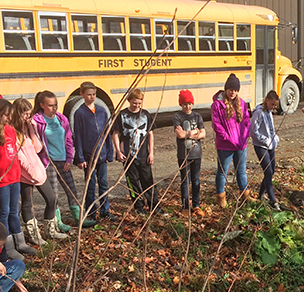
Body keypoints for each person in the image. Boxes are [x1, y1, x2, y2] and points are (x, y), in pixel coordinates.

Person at [32, 90, 96, 231]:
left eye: (55, 105)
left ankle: (79, 218)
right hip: (48, 162)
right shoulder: (37, 121)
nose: (54, 108)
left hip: (63, 160)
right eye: (50, 105)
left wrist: (69, 158)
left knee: (71, 189)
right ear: (42, 105)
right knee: (53, 193)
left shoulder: (61, 119)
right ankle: (57, 221)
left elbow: (68, 139)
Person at [11, 98, 66, 245]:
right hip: (24, 174)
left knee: (52, 199)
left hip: (38, 170)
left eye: (30, 114)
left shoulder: (27, 129)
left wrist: (32, 129)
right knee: (28, 204)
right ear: (18, 114)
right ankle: (34, 234)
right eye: (25, 114)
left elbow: (38, 148)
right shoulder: (14, 132)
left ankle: (50, 230)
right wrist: (30, 172)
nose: (28, 117)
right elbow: (20, 157)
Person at [112, 88, 163, 216]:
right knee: (133, 182)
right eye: (134, 103)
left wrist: (151, 152)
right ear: (129, 101)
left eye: (139, 103)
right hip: (128, 155)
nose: (137, 106)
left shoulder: (145, 115)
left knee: (148, 181)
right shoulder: (122, 115)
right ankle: (139, 207)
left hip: (143, 155)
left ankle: (154, 206)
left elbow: (150, 134)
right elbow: (116, 134)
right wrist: (118, 151)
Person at [73, 81, 118, 222]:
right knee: (90, 184)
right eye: (88, 95)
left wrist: (109, 152)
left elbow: (106, 133)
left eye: (94, 94)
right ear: (82, 95)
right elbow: (78, 136)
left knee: (103, 183)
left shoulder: (101, 111)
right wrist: (80, 157)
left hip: (102, 154)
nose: (92, 97)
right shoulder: (79, 113)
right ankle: (91, 212)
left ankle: (105, 210)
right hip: (88, 156)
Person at [0, 99, 37, 260]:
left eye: (10, 115)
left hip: (14, 177)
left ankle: (19, 242)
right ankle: (6, 247)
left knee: (15, 211)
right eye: (5, 115)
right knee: (4, 212)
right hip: (2, 180)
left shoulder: (11, 130)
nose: (8, 118)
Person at [211, 73, 252, 208]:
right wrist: (229, 139)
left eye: (235, 90)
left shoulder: (241, 104)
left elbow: (246, 122)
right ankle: (220, 197)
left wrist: (244, 137)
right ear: (226, 89)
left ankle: (244, 194)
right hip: (225, 145)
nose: (233, 93)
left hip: (241, 145)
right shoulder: (218, 105)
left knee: (241, 170)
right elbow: (217, 125)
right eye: (230, 90)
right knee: (223, 171)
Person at [0, 222, 42, 292]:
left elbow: (6, 269)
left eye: (2, 245)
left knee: (18, 265)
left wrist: (24, 290)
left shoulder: (1, 247)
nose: (1, 248)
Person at [173, 89, 205, 212]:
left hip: (196, 154)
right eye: (185, 104)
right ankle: (185, 206)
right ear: (181, 104)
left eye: (189, 103)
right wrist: (194, 132)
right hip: (183, 155)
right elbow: (179, 135)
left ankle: (196, 204)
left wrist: (187, 134)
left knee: (196, 180)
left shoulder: (197, 116)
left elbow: (203, 134)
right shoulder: (177, 117)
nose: (188, 106)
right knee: (185, 181)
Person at [251, 90, 281, 211]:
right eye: (272, 104)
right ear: (267, 100)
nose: (273, 107)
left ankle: (261, 194)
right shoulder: (258, 113)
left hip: (271, 145)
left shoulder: (269, 113)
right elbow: (253, 131)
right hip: (261, 146)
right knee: (267, 170)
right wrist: (264, 140)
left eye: (275, 105)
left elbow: (271, 128)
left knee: (272, 170)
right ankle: (272, 199)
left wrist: (275, 138)